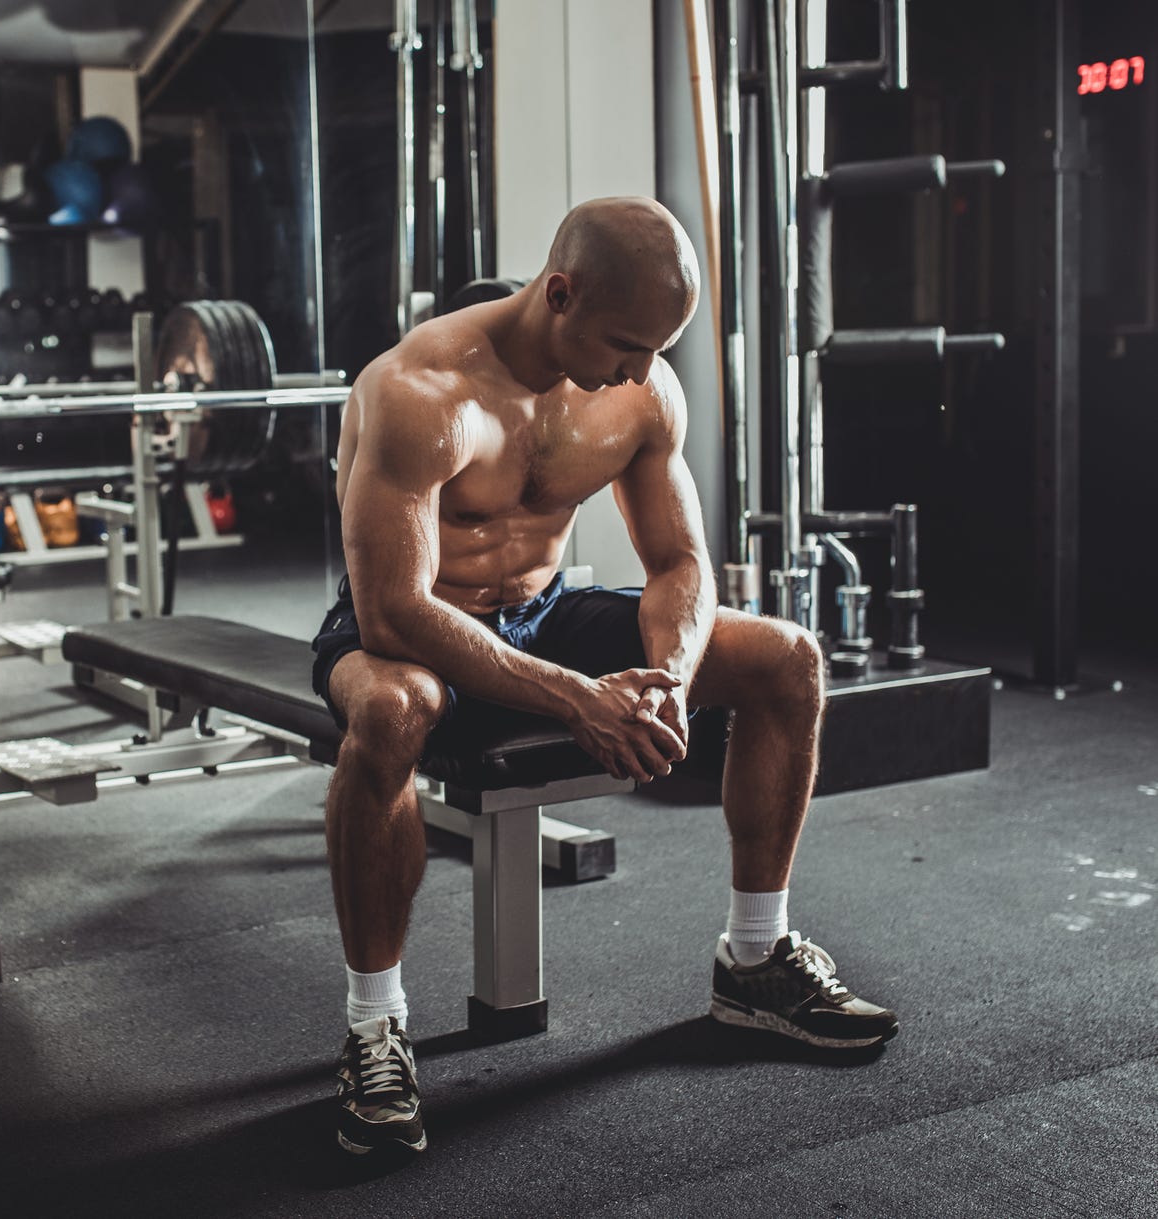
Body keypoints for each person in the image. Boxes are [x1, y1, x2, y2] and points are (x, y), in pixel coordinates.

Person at [312, 196, 898, 1157]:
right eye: (627, 343)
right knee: (390, 706)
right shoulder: (420, 391)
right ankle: (375, 1027)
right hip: (413, 624)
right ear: (558, 293)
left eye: (657, 348)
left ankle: (755, 959)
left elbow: (681, 563)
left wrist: (665, 675)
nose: (640, 370)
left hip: (541, 610)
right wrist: (579, 696)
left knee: (788, 660)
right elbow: (394, 614)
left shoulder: (638, 388)